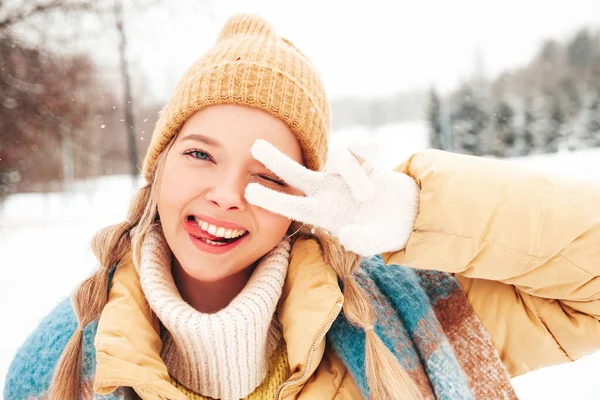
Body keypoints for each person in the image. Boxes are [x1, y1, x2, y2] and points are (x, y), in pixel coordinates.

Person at [4, 13, 600, 400]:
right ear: (158, 167)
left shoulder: (405, 317)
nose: (229, 194)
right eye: (200, 155)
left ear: (303, 198)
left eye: (267, 173)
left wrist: (419, 213)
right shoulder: (55, 365)